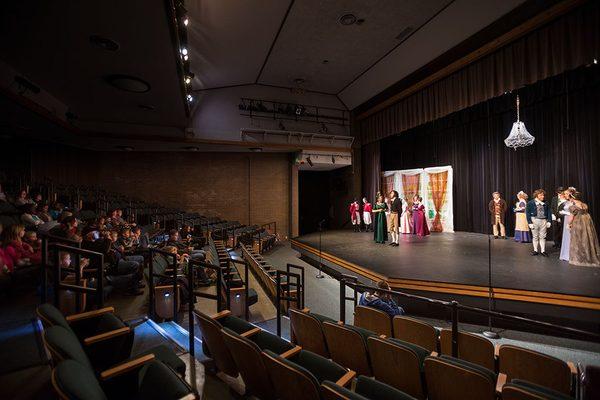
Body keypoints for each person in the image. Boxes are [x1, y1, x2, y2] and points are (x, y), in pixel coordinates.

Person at [568, 193, 600, 267]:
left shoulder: (573, 207)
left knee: (578, 240)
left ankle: (580, 258)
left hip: (578, 224)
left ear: (572, 199)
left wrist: (569, 224)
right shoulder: (584, 205)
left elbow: (571, 218)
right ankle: (589, 255)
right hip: (587, 223)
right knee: (586, 239)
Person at [526, 189, 552, 256]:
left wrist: (549, 221)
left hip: (543, 220)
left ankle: (543, 251)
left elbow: (549, 212)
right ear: (537, 195)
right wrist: (530, 223)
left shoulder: (546, 203)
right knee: (535, 236)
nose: (543, 196)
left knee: (543, 236)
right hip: (534, 220)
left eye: (543, 195)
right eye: (541, 195)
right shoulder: (530, 203)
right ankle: (535, 250)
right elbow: (527, 213)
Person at [560, 188, 576, 261]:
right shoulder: (567, 202)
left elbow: (575, 212)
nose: (565, 195)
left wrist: (565, 213)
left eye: (566, 194)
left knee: (571, 236)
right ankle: (565, 254)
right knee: (566, 236)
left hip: (572, 220)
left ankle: (571, 255)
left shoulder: (573, 202)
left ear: (570, 194)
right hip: (566, 219)